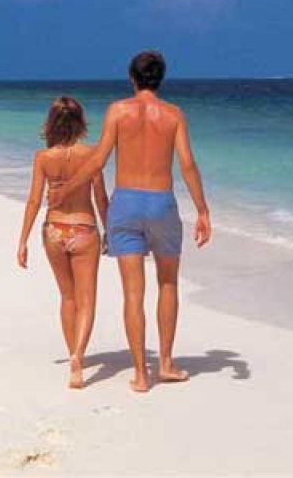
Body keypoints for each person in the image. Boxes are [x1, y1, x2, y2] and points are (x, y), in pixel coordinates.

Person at [49, 51, 211, 392]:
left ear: (131, 78)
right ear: (161, 78)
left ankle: (140, 374)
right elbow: (187, 164)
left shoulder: (118, 111)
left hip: (125, 205)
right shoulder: (173, 114)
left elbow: (97, 161)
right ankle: (165, 364)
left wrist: (66, 189)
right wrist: (202, 210)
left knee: (132, 294)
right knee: (168, 283)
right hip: (161, 203)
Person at [17, 96, 110, 389]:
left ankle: (73, 354)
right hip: (84, 230)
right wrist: (110, 230)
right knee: (87, 300)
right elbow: (100, 198)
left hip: (54, 231)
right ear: (80, 122)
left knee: (68, 297)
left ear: (52, 123)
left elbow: (34, 201)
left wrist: (23, 241)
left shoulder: (43, 158)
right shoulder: (92, 155)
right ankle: (78, 358)